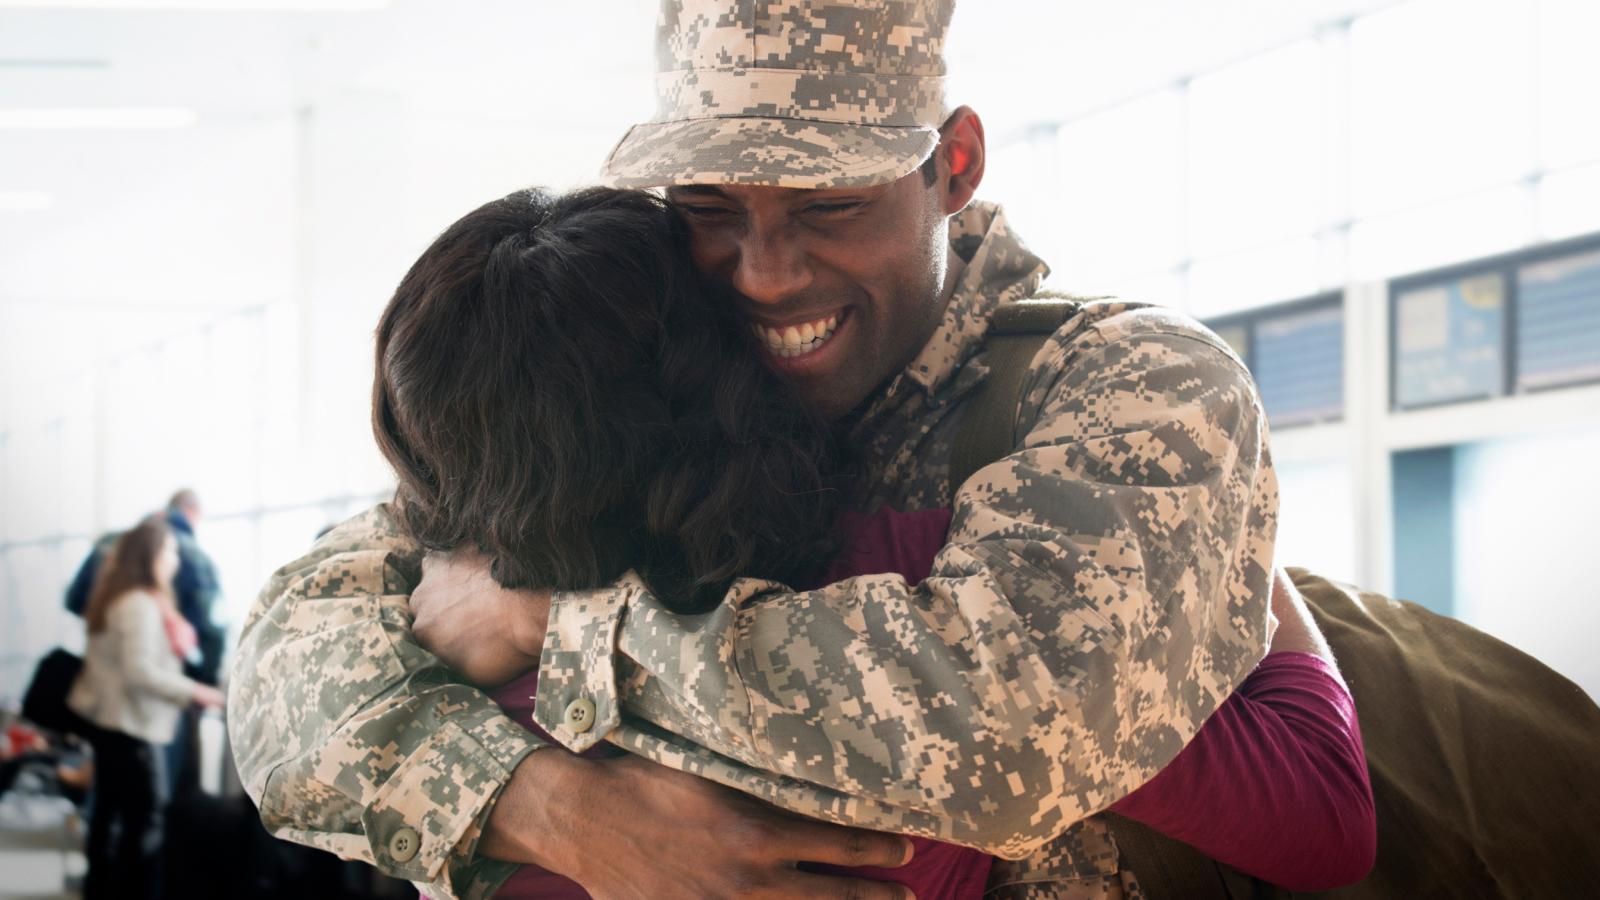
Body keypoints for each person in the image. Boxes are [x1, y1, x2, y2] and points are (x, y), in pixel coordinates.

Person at [230, 2, 1293, 897]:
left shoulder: (1126, 385)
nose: (766, 274)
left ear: (953, 165)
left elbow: (1011, 737)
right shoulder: (652, 356)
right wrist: (548, 808)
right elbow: (286, 666)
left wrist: (558, 620)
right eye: (708, 209)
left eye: (830, 204)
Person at [67, 515, 226, 900]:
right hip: (133, 727)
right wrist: (196, 691)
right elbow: (140, 671)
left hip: (113, 724)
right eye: (170, 551)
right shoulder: (138, 603)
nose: (176, 560)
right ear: (152, 554)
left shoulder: (118, 596)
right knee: (144, 824)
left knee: (108, 818)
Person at [66, 490, 225, 686]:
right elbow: (211, 630)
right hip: (159, 687)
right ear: (193, 512)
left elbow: (74, 601)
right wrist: (203, 687)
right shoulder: (192, 555)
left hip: (104, 678)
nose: (174, 560)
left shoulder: (111, 542)